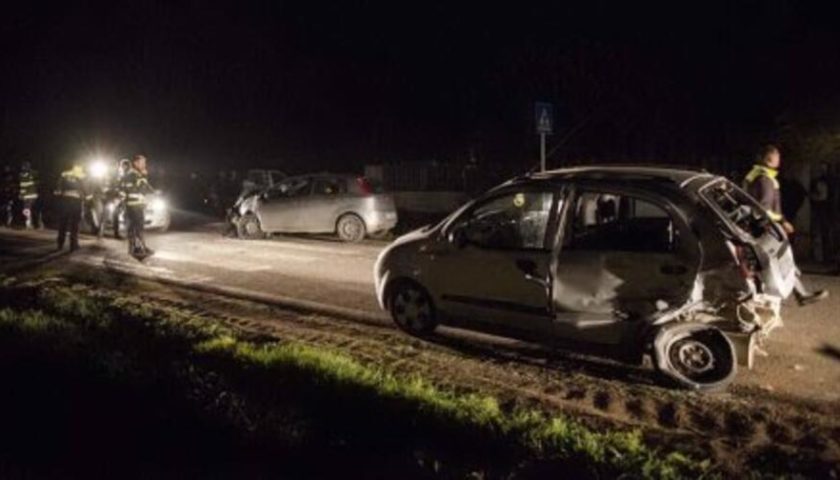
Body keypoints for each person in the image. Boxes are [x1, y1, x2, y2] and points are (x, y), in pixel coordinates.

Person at [743, 144, 828, 305]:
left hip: (757, 227)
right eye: (777, 157)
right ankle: (799, 294)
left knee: (775, 263)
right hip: (766, 228)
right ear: (770, 159)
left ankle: (800, 293)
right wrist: (782, 222)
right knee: (782, 261)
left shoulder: (754, 176)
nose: (779, 160)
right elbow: (764, 208)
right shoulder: (765, 179)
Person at [120, 154, 155, 258]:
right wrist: (144, 176)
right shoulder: (135, 175)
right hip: (135, 205)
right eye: (142, 162)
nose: (145, 165)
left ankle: (135, 248)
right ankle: (138, 249)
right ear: (135, 163)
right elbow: (140, 189)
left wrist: (153, 191)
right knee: (138, 228)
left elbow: (124, 190)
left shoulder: (130, 174)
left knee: (134, 228)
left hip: (132, 205)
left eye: (145, 162)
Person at [54, 163, 87, 251]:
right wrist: (86, 198)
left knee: (63, 223)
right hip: (76, 202)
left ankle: (60, 244)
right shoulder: (81, 176)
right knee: (74, 225)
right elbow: (85, 189)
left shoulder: (64, 175)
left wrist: (60, 194)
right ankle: (73, 245)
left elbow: (58, 188)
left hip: (64, 201)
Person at [15, 162, 40, 229]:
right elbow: (22, 186)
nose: (23, 168)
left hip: (32, 195)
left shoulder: (34, 173)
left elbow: (38, 183)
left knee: (30, 209)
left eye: (24, 167)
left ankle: (33, 223)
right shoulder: (20, 175)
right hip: (26, 196)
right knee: (27, 209)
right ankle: (28, 222)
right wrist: (21, 194)